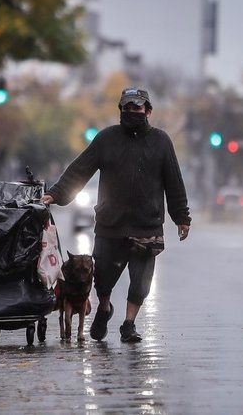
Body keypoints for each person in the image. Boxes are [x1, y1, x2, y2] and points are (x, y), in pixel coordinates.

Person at [41, 87, 191, 343]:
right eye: (128, 108)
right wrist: (55, 194)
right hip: (111, 223)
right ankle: (104, 308)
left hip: (147, 225)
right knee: (102, 279)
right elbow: (80, 169)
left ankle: (129, 324)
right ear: (121, 110)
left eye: (138, 108)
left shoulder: (162, 142)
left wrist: (182, 217)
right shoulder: (106, 139)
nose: (133, 112)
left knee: (141, 283)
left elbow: (174, 181)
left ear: (148, 111)